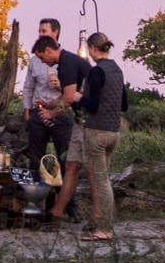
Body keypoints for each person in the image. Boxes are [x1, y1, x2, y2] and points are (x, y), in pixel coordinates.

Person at [31, 34, 91, 222]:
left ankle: (84, 213)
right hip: (84, 117)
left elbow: (70, 97)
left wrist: (52, 114)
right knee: (72, 164)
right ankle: (58, 211)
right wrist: (49, 104)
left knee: (77, 165)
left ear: (49, 51)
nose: (43, 62)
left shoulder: (66, 63)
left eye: (42, 57)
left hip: (89, 119)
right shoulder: (67, 61)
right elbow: (66, 95)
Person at [79, 32, 125, 242]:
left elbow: (92, 105)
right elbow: (124, 104)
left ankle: (105, 229)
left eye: (89, 50)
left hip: (97, 133)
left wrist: (80, 97)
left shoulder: (97, 72)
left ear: (93, 49)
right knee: (104, 178)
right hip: (114, 132)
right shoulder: (117, 70)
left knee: (101, 181)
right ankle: (101, 224)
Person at [21, 18, 68, 169]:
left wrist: (60, 85)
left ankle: (62, 190)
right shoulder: (35, 60)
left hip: (60, 112)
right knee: (35, 155)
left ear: (55, 32)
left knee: (64, 154)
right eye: (39, 31)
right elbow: (28, 86)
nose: (40, 34)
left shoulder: (66, 59)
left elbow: (75, 91)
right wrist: (27, 110)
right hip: (38, 111)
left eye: (44, 31)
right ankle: (37, 189)